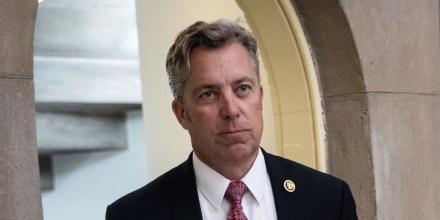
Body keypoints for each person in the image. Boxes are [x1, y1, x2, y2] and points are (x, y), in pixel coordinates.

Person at [106, 19, 358, 220]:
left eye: (242, 89)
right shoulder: (133, 214)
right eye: (209, 94)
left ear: (259, 98)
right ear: (182, 113)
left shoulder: (329, 200)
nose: (231, 109)